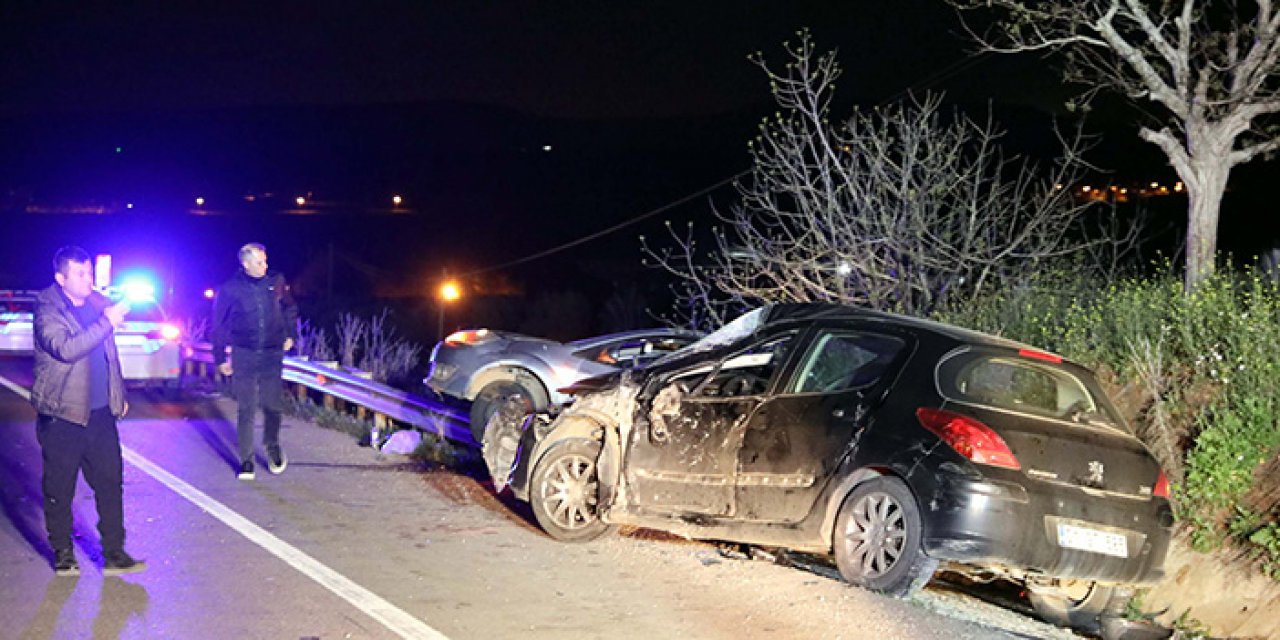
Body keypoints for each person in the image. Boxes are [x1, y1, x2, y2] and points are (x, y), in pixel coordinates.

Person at [32, 246, 146, 576]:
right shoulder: (47, 310)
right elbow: (66, 349)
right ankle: (63, 552)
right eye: (80, 274)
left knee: (110, 483)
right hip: (63, 414)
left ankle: (114, 552)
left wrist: (117, 393)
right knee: (60, 488)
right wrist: (106, 322)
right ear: (61, 278)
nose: (88, 280)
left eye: (89, 273)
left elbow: (110, 355)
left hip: (100, 414)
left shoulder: (99, 304)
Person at [211, 242, 298, 480]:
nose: (264, 265)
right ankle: (246, 460)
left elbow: (290, 308)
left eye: (265, 261)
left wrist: (291, 334)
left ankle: (273, 447)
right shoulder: (230, 289)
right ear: (246, 264)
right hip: (244, 353)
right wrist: (219, 357)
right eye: (259, 262)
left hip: (272, 353)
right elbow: (218, 325)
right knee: (246, 407)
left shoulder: (276, 281)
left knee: (272, 405)